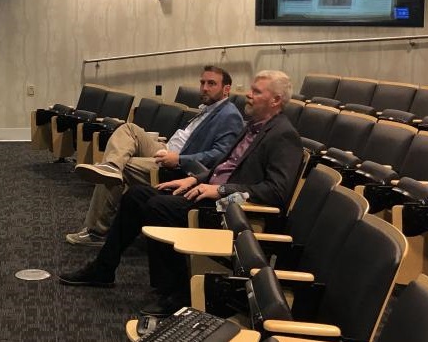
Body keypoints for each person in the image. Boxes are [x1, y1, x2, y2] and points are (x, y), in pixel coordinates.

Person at [59, 70, 303, 317]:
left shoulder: (284, 135)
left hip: (228, 210)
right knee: (137, 196)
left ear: (276, 100)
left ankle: (177, 292)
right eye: (251, 90)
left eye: (256, 91)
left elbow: (276, 192)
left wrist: (219, 190)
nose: (248, 95)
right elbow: (222, 166)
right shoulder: (252, 127)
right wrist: (193, 179)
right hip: (205, 192)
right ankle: (103, 269)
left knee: (158, 208)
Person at [66, 66, 244, 246]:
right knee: (129, 129)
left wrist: (179, 160)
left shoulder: (229, 115)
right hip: (166, 149)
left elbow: (220, 156)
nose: (204, 87)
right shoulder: (208, 109)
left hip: (180, 166)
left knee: (125, 166)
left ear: (226, 89)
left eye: (211, 83)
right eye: (202, 82)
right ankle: (111, 166)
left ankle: (97, 231)